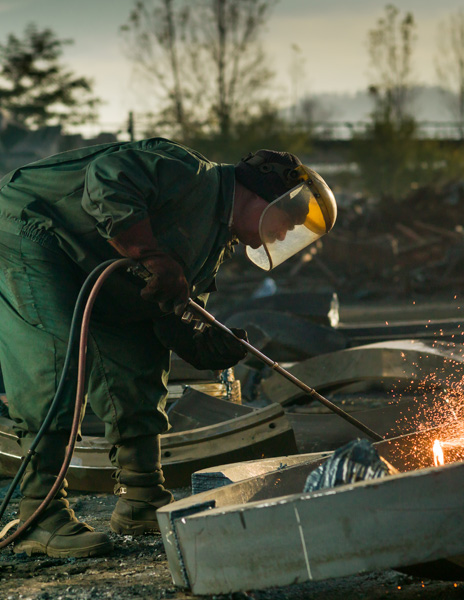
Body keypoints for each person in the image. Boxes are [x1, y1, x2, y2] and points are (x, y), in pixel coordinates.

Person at [0, 137, 336, 558]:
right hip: (33, 230)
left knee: (139, 367)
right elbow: (108, 178)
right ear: (260, 197)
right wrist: (151, 255)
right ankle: (40, 516)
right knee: (54, 370)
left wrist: (204, 346)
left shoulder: (213, 244)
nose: (283, 234)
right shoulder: (189, 174)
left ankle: (141, 500)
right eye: (286, 222)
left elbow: (169, 317)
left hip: (95, 261)